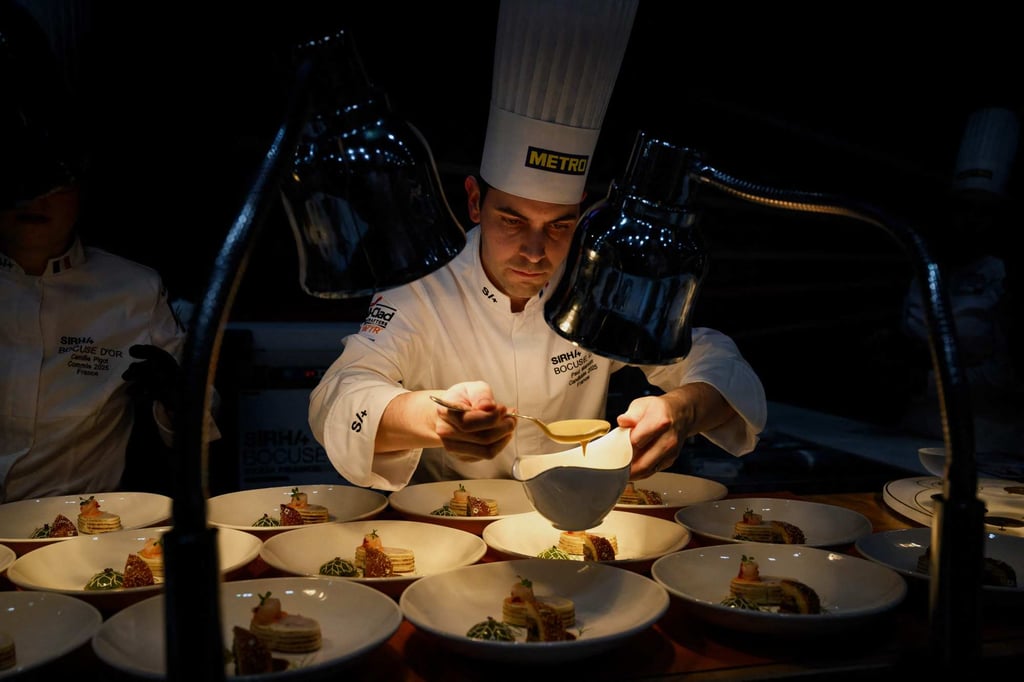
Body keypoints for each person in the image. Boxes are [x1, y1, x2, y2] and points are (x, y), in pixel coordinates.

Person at [308, 0, 766, 491]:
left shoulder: (594, 281)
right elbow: (338, 396)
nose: (534, 251)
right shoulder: (425, 285)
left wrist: (681, 410)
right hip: (457, 525)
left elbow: (712, 356)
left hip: (579, 520)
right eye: (512, 219)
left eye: (558, 226)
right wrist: (432, 419)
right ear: (475, 202)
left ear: (584, 215)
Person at [0, 0, 217, 502]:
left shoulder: (133, 290)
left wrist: (174, 394)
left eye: (57, 179)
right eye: (22, 179)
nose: (37, 197)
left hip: (79, 535)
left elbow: (198, 431)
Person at [901, 106, 1023, 453]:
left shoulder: (1007, 278)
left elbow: (1008, 378)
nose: (971, 221)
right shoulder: (927, 265)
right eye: (963, 207)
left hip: (990, 443)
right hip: (914, 433)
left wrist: (921, 379)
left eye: (984, 210)